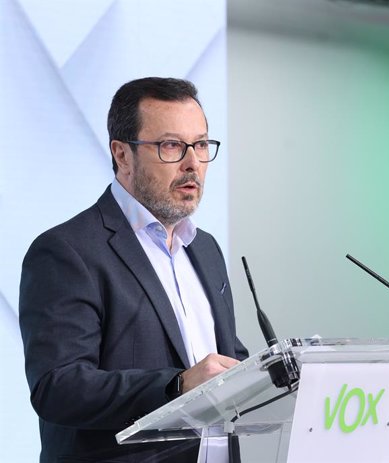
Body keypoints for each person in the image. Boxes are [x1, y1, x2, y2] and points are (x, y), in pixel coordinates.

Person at [19, 77, 248, 463]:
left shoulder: (205, 248)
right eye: (172, 146)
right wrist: (176, 385)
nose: (193, 163)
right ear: (122, 154)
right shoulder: (67, 251)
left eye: (202, 144)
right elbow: (58, 387)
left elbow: (222, 363)